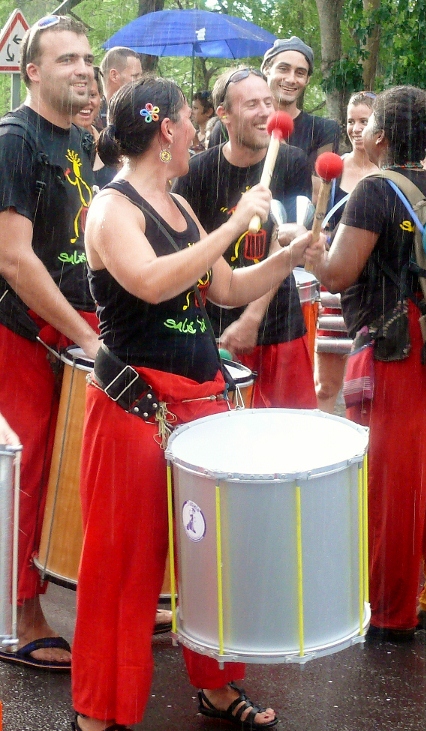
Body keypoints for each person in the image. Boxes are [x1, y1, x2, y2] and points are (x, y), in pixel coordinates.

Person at [70, 76, 320, 731]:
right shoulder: (112, 209)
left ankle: (215, 686)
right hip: (136, 409)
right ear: (167, 132)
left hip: (201, 405)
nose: (200, 129)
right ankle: (100, 712)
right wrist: (235, 221)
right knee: (122, 566)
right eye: (191, 119)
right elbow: (153, 284)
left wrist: (288, 256)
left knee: (213, 565)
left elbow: (226, 285)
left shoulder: (181, 207)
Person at [306, 85, 426, 639]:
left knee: (393, 483)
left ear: (379, 134)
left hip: (396, 345)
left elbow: (337, 275)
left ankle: (392, 612)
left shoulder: (374, 190)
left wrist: (313, 250)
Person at [0, 14, 99, 673]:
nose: (82, 69)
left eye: (86, 58)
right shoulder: (13, 139)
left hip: (68, 328)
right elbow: (13, 259)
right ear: (32, 71)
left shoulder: (81, 141)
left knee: (62, 469)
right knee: (27, 470)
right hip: (20, 329)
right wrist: (84, 330)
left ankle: (42, 583)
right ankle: (16, 610)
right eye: (66, 60)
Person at [173, 66, 316, 409]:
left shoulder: (292, 161)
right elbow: (192, 248)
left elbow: (282, 248)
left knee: (289, 439)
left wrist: (251, 319)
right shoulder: (196, 173)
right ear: (224, 114)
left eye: (269, 102)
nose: (266, 112)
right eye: (252, 104)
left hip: (276, 322)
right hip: (212, 329)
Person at [315, 91, 379, 413]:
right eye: (351, 121)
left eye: (364, 121)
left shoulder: (390, 172)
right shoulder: (333, 167)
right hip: (333, 287)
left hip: (375, 290)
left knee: (370, 386)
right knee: (326, 385)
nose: (355, 129)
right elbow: (319, 222)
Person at [261, 36, 340, 166]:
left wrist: (285, 152)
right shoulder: (245, 122)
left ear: (307, 79)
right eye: (283, 69)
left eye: (300, 73)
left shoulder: (324, 129)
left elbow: (322, 185)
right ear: (266, 69)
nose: (291, 79)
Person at [73, 66, 109, 181]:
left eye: (92, 95)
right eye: (80, 94)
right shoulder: (55, 144)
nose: (86, 101)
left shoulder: (109, 144)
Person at [97, 46, 141, 128]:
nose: (141, 81)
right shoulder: (91, 114)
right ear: (114, 76)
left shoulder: (140, 112)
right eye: (135, 76)